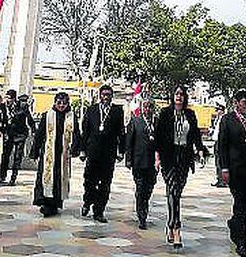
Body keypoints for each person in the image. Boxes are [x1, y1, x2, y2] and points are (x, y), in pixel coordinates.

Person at [153, 85, 209, 248]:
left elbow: (195, 135)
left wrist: (200, 151)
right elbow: (158, 137)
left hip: (184, 157)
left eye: (182, 94)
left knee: (176, 192)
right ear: (172, 96)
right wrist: (157, 158)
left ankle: (170, 224)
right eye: (176, 94)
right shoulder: (165, 113)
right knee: (173, 190)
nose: (179, 96)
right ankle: (176, 228)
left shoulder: (190, 114)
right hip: (168, 157)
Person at [217, 89, 246, 257]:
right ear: (236, 103)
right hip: (235, 169)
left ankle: (233, 223)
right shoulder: (227, 120)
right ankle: (242, 243)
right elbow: (222, 145)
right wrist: (224, 168)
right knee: (239, 202)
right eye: (244, 102)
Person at [31, 92, 82, 217]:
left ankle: (55, 204)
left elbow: (76, 133)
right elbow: (39, 134)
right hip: (48, 153)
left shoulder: (71, 117)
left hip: (63, 154)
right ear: (55, 102)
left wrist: (75, 148)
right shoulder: (47, 115)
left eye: (64, 103)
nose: (61, 105)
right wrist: (35, 151)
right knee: (46, 177)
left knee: (59, 177)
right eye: (59, 102)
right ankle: (45, 203)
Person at [79, 84, 125, 223]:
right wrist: (82, 150)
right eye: (104, 94)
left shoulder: (117, 111)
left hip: (109, 153)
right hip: (93, 152)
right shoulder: (92, 109)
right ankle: (87, 202)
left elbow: (121, 132)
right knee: (89, 181)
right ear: (100, 96)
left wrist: (121, 151)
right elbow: (85, 131)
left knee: (105, 183)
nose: (106, 97)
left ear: (112, 96)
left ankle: (99, 211)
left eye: (108, 95)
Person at [124, 97, 159, 229]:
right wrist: (128, 159)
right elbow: (129, 141)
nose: (148, 109)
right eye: (145, 106)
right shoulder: (136, 121)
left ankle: (144, 205)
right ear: (142, 108)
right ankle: (142, 216)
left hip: (153, 163)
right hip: (138, 161)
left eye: (150, 107)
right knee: (140, 188)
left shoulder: (157, 122)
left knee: (149, 188)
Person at [0, 90, 37, 186]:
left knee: (17, 156)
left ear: (14, 99)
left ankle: (13, 178)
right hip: (8, 134)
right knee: (5, 155)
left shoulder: (22, 106)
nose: (7, 100)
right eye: (6, 97)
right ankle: (2, 176)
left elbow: (29, 118)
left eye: (9, 98)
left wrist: (34, 130)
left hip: (20, 134)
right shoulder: (3, 106)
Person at [209, 104, 227, 187]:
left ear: (222, 111)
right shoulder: (217, 119)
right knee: (217, 161)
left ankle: (223, 181)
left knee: (220, 161)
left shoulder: (224, 119)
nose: (217, 112)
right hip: (216, 141)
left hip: (221, 142)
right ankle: (219, 179)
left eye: (218, 110)